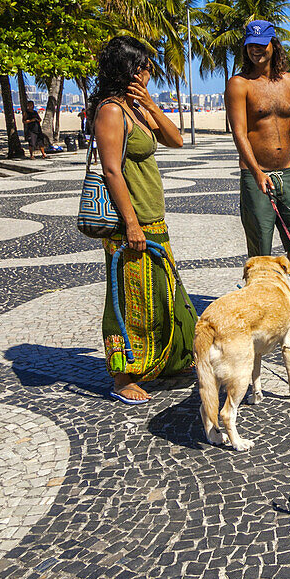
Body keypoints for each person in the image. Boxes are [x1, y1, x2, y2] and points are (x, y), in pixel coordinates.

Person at [89, 36, 196, 404]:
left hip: (153, 218)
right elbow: (110, 171)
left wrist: (150, 105)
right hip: (128, 224)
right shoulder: (111, 111)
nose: (151, 73)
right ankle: (122, 376)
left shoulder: (134, 107)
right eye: (146, 67)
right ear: (130, 69)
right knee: (129, 301)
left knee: (164, 294)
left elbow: (176, 140)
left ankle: (166, 360)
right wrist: (131, 224)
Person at [225, 20, 290, 320]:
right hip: (257, 177)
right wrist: (256, 172)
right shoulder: (239, 84)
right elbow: (239, 133)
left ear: (273, 45)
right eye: (251, 44)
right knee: (261, 246)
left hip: (289, 174)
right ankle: (260, 304)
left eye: (262, 43)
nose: (257, 49)